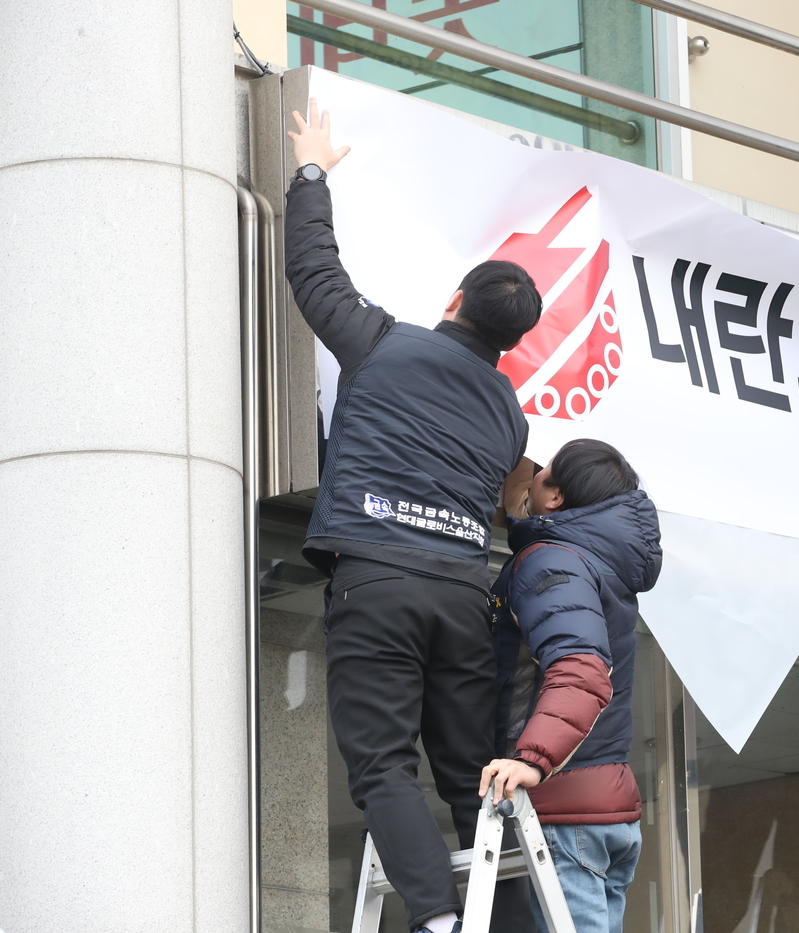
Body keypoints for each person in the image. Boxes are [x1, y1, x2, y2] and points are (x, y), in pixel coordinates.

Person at [285, 99, 542, 933]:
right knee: (474, 768)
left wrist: (312, 170)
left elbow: (316, 276)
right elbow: (505, 498)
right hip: (464, 595)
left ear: (456, 297)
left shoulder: (386, 345)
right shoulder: (512, 413)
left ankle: (436, 920)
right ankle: (500, 920)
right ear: (513, 339)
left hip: (381, 581)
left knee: (385, 766)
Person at [479, 439, 662, 933]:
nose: (530, 475)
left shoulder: (551, 561)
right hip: (604, 808)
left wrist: (532, 759)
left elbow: (580, 671)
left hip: (567, 815)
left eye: (541, 472)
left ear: (556, 498)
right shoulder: (600, 562)